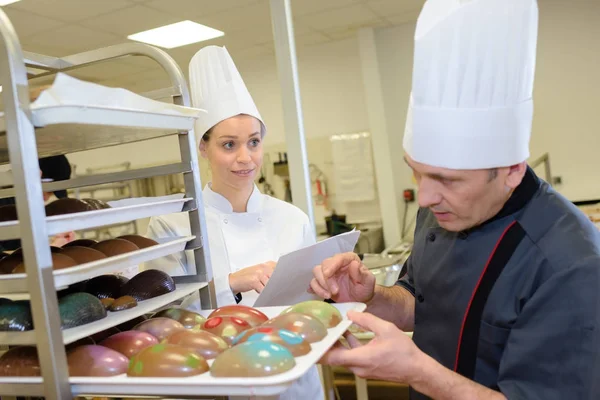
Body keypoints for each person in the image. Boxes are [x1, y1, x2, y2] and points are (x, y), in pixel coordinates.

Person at [309, 1, 600, 399]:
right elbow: (419, 300)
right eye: (416, 170)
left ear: (512, 170)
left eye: (447, 180)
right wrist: (373, 297)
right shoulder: (442, 209)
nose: (425, 197)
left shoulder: (570, 264)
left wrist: (417, 371)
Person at [145, 45, 324, 400]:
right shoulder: (172, 225)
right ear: (203, 147)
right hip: (213, 381)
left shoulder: (293, 218)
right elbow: (163, 318)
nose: (245, 158)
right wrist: (229, 284)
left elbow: (311, 304)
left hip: (294, 380)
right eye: (229, 145)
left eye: (253, 143)